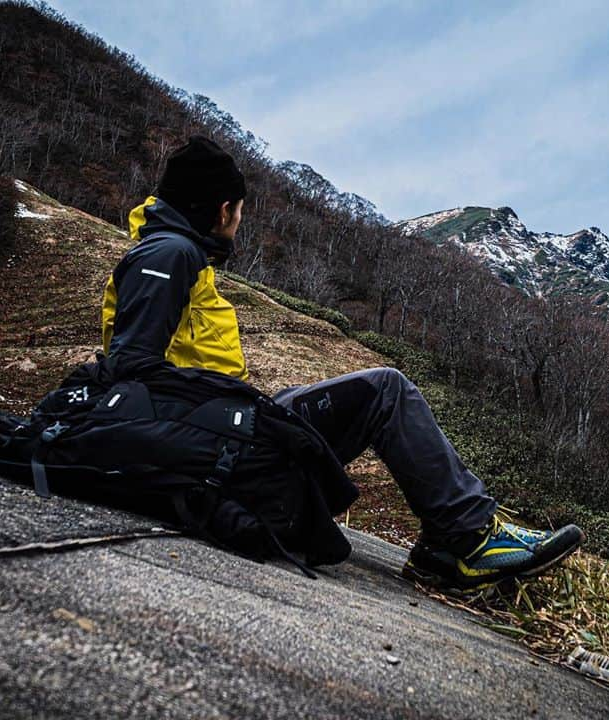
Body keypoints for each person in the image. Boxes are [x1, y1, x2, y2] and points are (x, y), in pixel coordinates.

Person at [101, 135, 583, 591]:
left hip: (218, 433)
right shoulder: (169, 254)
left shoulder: (174, 253)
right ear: (223, 208)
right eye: (240, 210)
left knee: (354, 395)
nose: (238, 223)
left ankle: (454, 535)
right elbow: (131, 370)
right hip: (217, 449)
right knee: (385, 391)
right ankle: (466, 538)